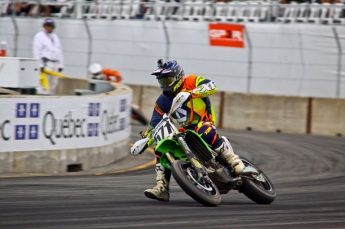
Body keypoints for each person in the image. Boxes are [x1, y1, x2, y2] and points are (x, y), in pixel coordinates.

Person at [131, 59, 245, 202]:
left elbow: (212, 86)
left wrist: (192, 93)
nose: (165, 84)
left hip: (204, 121)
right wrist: (145, 140)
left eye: (168, 80)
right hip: (185, 129)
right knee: (160, 147)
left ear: (178, 76)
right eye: (162, 81)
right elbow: (155, 123)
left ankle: (233, 160)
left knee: (203, 129)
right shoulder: (162, 101)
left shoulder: (192, 81)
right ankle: (162, 187)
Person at [33, 18, 64, 94]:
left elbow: (59, 51)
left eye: (50, 26)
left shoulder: (55, 36)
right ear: (44, 26)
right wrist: (39, 64)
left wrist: (61, 64)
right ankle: (42, 99)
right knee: (44, 83)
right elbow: (36, 51)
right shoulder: (39, 36)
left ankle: (51, 100)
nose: (49, 27)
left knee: (54, 84)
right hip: (47, 63)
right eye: (47, 26)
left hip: (55, 63)